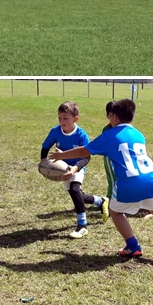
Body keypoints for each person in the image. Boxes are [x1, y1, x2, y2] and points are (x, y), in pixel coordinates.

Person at [50, 99, 153, 257]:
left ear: (114, 116)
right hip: (152, 180)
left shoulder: (110, 135)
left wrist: (61, 155)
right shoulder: (138, 134)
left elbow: (83, 152)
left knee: (115, 211)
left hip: (129, 183)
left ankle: (133, 246)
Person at [40, 101, 109, 239]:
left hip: (77, 166)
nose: (61, 121)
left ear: (75, 119)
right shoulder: (55, 131)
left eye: (65, 118)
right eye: (59, 117)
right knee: (77, 195)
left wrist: (75, 169)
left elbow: (86, 157)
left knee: (75, 189)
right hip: (62, 168)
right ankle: (101, 201)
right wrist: (43, 163)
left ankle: (82, 226)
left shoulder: (81, 135)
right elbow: (45, 147)